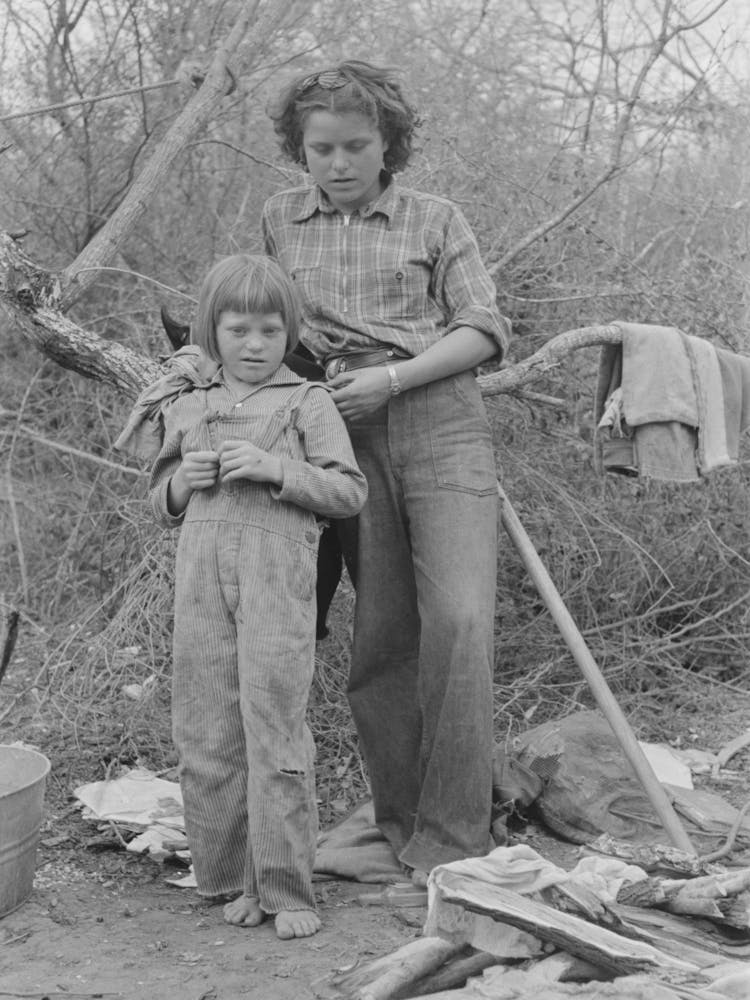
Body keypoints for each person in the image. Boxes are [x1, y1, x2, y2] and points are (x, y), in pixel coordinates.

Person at [262, 61, 511, 886]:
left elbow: (481, 329)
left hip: (439, 419)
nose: (337, 164)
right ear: (299, 149)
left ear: (388, 145)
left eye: (355, 147)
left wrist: (394, 378)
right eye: (320, 149)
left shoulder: (434, 218)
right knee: (383, 637)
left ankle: (454, 845)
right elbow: (266, 326)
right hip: (341, 432)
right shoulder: (280, 220)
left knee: (462, 624)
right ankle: (404, 830)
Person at [147, 254, 367, 937]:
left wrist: (278, 468)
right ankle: (234, 877)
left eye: (269, 331)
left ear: (288, 333)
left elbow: (348, 492)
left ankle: (287, 889)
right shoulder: (188, 405)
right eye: (237, 330)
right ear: (212, 332)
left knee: (273, 729)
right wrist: (186, 477)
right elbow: (161, 499)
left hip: (278, 583)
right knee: (208, 730)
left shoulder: (309, 402)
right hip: (202, 583)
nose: (253, 344)